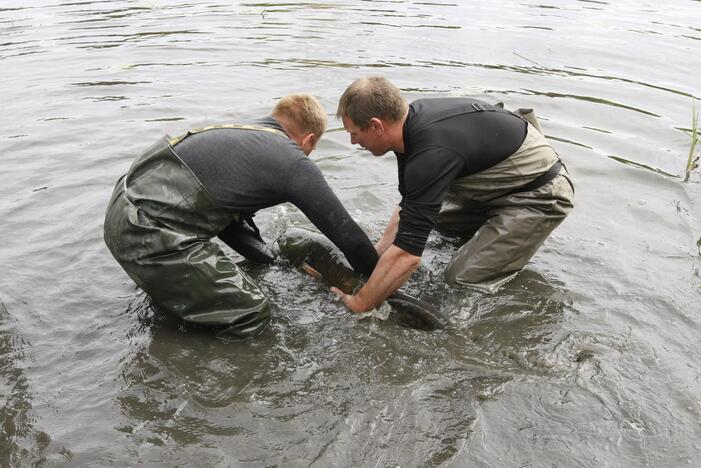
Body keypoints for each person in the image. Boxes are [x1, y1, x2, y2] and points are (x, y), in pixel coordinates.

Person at [104, 94, 378, 338]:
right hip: (149, 234)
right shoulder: (291, 160)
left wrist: (274, 261)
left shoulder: (236, 136)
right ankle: (189, 359)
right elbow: (348, 237)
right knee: (252, 311)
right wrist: (381, 284)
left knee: (223, 293)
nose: (307, 154)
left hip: (120, 216)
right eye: (311, 149)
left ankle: (175, 310)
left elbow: (228, 225)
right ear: (308, 140)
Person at [332, 76, 574, 312]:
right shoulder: (408, 127)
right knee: (436, 227)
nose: (353, 142)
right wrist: (378, 254)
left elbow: (407, 255)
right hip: (499, 181)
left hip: (539, 194)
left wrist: (361, 303)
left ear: (376, 126)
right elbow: (410, 206)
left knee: (460, 278)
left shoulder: (430, 152)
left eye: (354, 133)